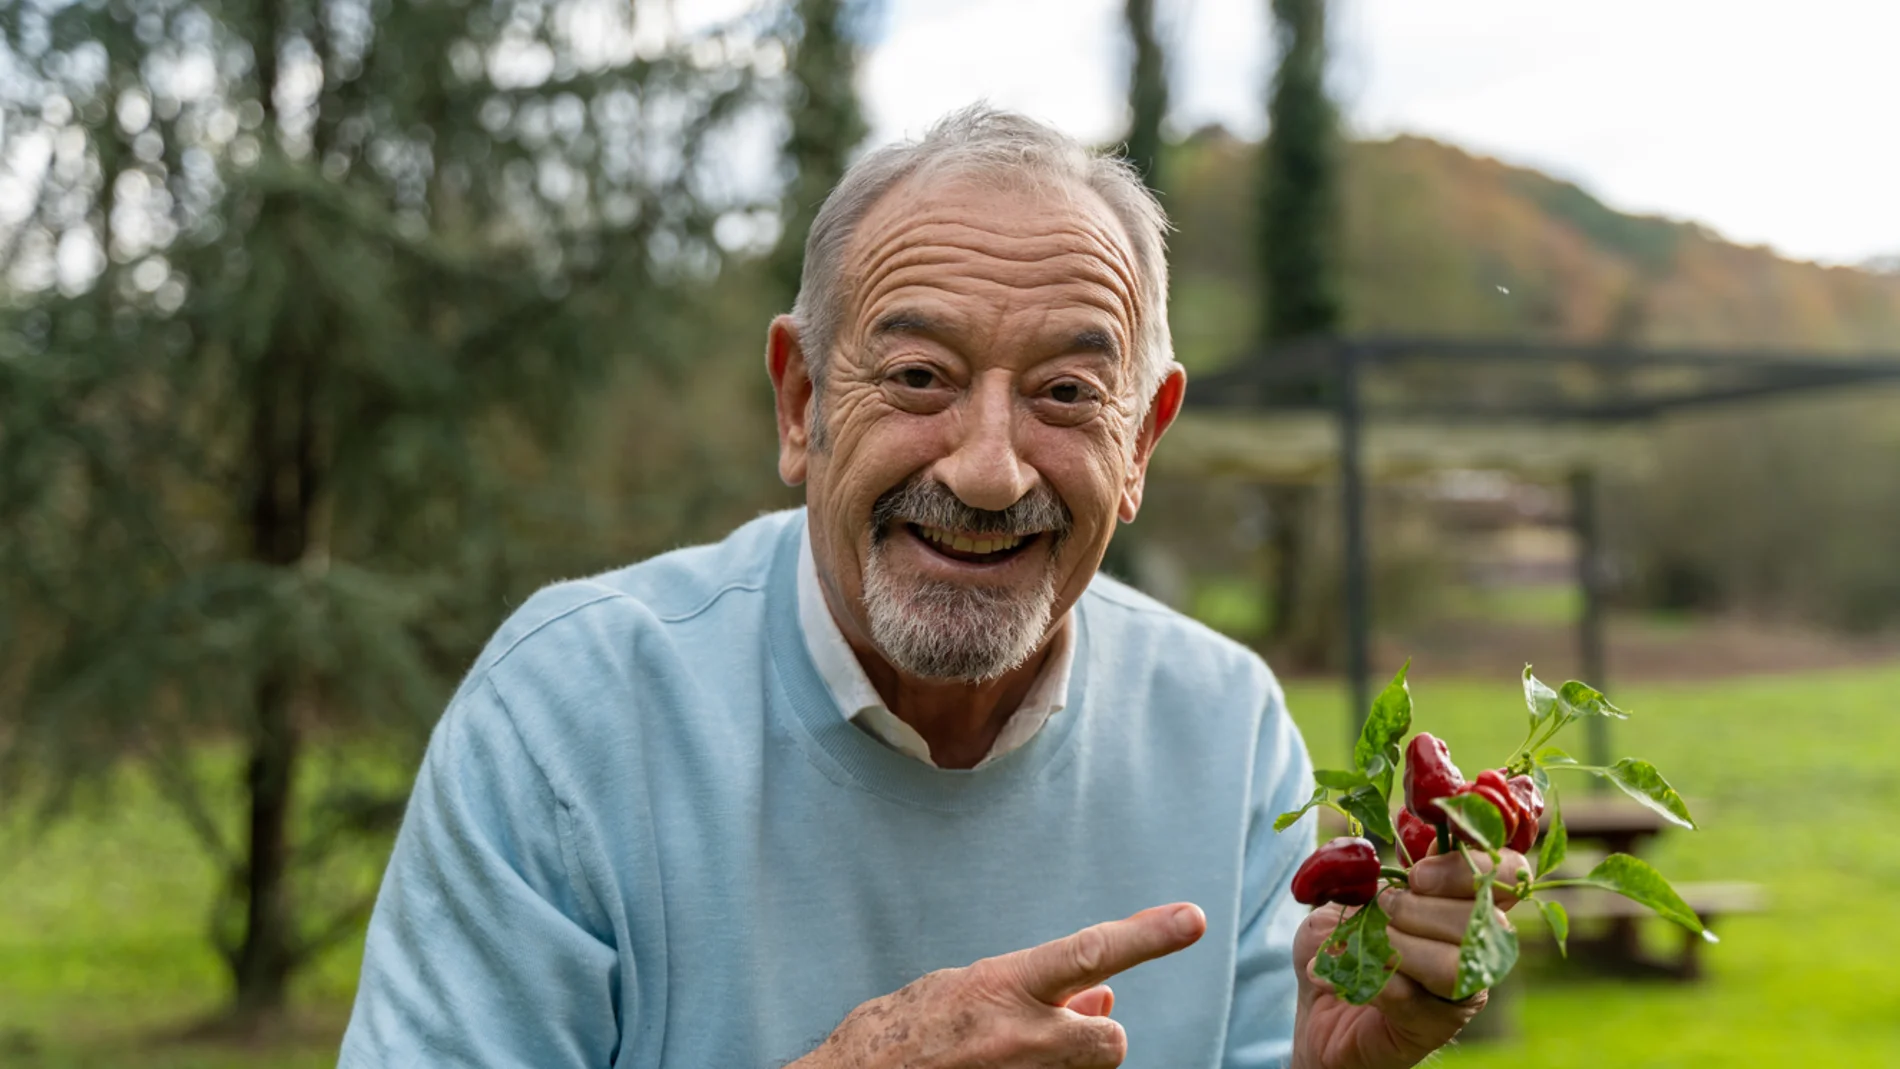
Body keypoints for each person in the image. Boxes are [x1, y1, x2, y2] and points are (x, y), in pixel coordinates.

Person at [339, 105, 1528, 1069]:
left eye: (1067, 393)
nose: (990, 466)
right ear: (801, 401)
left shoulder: (1224, 724)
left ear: (1143, 446)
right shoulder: (568, 710)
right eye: (918, 376)